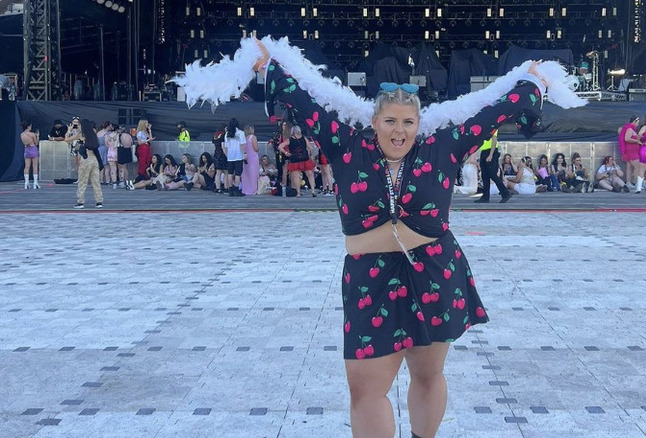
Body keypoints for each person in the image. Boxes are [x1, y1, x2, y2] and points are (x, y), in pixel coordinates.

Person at [173, 35, 584, 438]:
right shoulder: (345, 146)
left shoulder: (444, 146)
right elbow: (305, 103)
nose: (399, 130)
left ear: (420, 124)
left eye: (408, 122)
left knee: (427, 375)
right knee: (366, 389)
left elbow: (491, 114)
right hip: (370, 281)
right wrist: (268, 67)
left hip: (435, 276)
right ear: (374, 121)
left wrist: (534, 82)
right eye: (390, 121)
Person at [474, 129, 512, 203]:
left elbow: (494, 140)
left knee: (492, 174)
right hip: (484, 151)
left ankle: (505, 193)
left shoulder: (493, 127)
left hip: (491, 151)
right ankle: (485, 197)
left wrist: (491, 155)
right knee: (485, 175)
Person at [73, 119, 104, 208]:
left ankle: (80, 202)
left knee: (83, 181)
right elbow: (96, 149)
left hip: (86, 159)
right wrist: (100, 162)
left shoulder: (82, 136)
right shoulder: (93, 135)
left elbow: (76, 147)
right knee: (96, 181)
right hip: (94, 159)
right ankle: (99, 201)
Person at [279, 125, 317, 197]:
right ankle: (313, 190)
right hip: (305, 158)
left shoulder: (289, 139)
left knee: (296, 176)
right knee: (310, 175)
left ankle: (298, 193)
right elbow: (311, 148)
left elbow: (280, 147)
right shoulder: (304, 138)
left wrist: (286, 153)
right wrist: (310, 155)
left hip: (294, 159)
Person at [221, 118, 247, 196]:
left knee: (230, 173)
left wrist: (227, 155)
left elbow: (225, 146)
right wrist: (244, 153)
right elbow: (242, 145)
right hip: (238, 155)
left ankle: (230, 189)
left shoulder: (227, 134)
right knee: (238, 173)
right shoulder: (240, 133)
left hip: (230, 156)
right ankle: (236, 189)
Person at [618, 115, 641, 189]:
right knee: (637, 167)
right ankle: (636, 183)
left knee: (629, 167)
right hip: (631, 151)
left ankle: (629, 182)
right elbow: (627, 138)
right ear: (634, 121)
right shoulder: (630, 129)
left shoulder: (631, 129)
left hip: (631, 150)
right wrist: (637, 141)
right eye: (637, 122)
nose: (638, 124)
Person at [20, 121, 40, 189]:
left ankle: (26, 182)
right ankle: (35, 183)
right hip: (33, 149)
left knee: (27, 167)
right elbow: (36, 143)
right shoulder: (32, 134)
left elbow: (24, 143)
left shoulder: (22, 134)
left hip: (27, 150)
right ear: (28, 126)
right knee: (35, 166)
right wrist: (37, 136)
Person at [241, 125, 260, 195]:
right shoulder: (253, 137)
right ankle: (253, 189)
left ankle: (245, 189)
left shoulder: (244, 138)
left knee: (246, 173)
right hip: (253, 157)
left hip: (246, 157)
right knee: (254, 173)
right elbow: (256, 148)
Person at [212, 123, 228, 194]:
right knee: (226, 173)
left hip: (216, 155)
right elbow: (223, 146)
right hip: (222, 155)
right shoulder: (223, 135)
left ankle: (217, 188)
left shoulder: (215, 136)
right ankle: (226, 187)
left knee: (218, 173)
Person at [104, 123, 120, 189]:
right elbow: (118, 144)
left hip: (110, 152)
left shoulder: (107, 136)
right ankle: (120, 181)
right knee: (119, 167)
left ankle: (114, 184)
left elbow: (106, 145)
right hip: (117, 151)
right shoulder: (118, 135)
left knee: (112, 169)